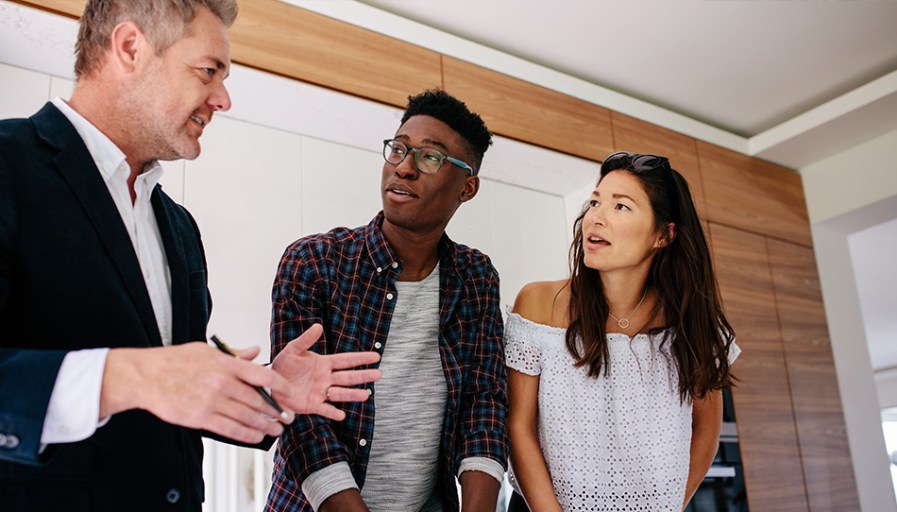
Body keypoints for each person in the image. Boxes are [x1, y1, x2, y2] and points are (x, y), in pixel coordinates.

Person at [0, 1, 380, 510]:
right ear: (131, 47)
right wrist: (133, 376)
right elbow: (153, 381)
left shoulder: (178, 228)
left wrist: (263, 387)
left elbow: (179, 395)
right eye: (208, 71)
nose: (222, 99)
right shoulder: (7, 165)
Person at [265, 89, 509, 512]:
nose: (405, 167)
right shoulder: (314, 261)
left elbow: (482, 404)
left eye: (430, 157)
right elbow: (304, 421)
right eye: (398, 149)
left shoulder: (476, 278)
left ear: (467, 187)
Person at [505, 152, 741, 511]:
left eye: (621, 207)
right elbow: (519, 427)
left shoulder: (690, 325)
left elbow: (706, 430)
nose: (595, 217)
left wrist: (669, 505)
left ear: (663, 234)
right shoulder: (539, 305)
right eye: (595, 202)